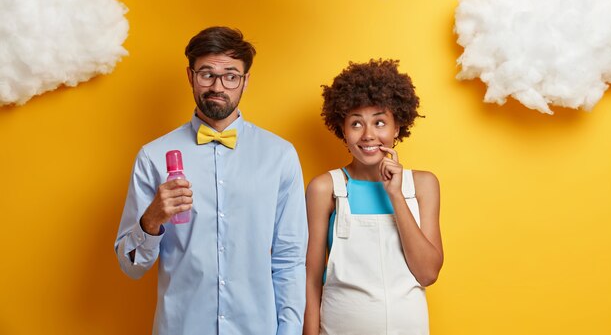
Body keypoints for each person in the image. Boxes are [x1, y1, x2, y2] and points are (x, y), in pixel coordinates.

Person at [115, 26, 308, 335]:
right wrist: (151, 220)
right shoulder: (153, 156)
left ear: (245, 81)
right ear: (191, 76)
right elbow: (131, 266)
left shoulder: (280, 156)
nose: (218, 86)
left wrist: (289, 331)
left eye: (231, 76)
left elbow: (289, 260)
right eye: (207, 74)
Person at [303, 59, 443, 335]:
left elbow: (428, 273)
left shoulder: (423, 185)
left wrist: (396, 196)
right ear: (342, 130)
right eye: (356, 124)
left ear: (397, 127)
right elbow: (310, 278)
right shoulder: (325, 188)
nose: (368, 135)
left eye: (379, 122)